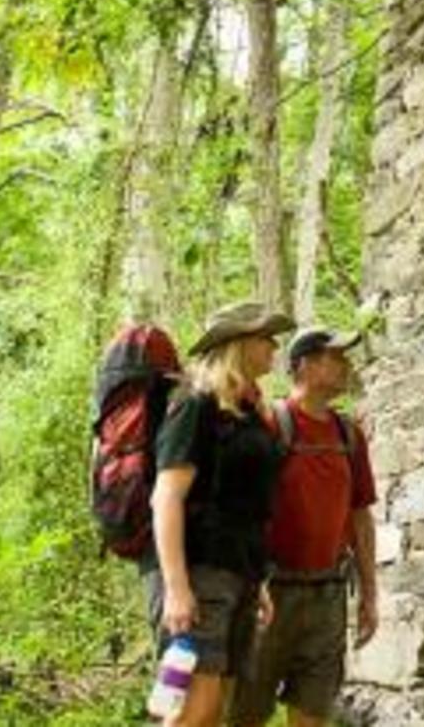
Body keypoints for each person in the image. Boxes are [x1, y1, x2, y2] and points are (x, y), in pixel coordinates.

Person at [149, 300, 294, 727]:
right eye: (265, 337)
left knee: (216, 709)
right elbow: (166, 498)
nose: (274, 345)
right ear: (239, 343)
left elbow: (247, 504)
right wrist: (176, 588)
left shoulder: (248, 414)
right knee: (192, 710)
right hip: (201, 575)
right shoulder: (196, 404)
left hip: (241, 574)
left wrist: (258, 580)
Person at [231, 325, 378, 727]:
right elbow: (244, 509)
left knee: (313, 717)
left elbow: (360, 517)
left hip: (329, 596)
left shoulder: (350, 435)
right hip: (270, 595)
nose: (347, 365)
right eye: (337, 357)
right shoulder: (270, 423)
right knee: (244, 715)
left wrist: (369, 593)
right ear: (306, 366)